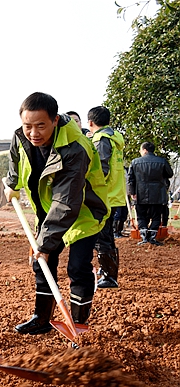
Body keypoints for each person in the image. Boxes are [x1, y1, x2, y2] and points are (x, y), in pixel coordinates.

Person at [4, 92, 109, 334]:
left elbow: (66, 203)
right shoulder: (21, 137)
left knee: (78, 267)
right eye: (28, 125)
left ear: (55, 120)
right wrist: (12, 183)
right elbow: (15, 160)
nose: (33, 133)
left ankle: (78, 325)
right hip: (48, 209)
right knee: (42, 263)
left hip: (84, 210)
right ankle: (42, 318)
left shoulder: (76, 148)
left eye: (41, 125)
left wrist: (45, 243)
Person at [87, 106, 126, 289]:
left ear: (90, 123)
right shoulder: (114, 138)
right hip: (114, 194)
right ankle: (107, 272)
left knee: (102, 236)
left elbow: (101, 169)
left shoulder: (102, 140)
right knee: (106, 235)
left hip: (103, 195)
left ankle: (109, 276)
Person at [127, 141, 174, 245]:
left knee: (141, 216)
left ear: (144, 150)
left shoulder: (135, 162)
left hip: (140, 193)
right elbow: (170, 174)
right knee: (156, 216)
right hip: (158, 194)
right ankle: (152, 238)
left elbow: (130, 179)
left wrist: (132, 192)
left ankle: (144, 238)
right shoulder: (162, 161)